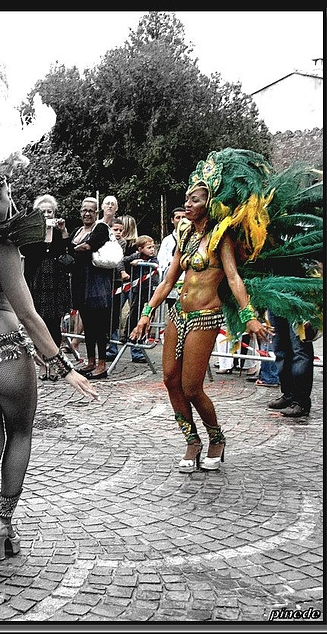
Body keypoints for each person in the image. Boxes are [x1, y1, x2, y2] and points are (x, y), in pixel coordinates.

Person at [0, 177, 99, 585]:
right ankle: (4, 525)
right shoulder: (2, 245)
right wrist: (64, 367)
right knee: (19, 436)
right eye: (6, 194)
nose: (11, 201)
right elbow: (29, 316)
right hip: (4, 351)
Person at [130, 150, 274, 474]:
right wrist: (145, 313)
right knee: (170, 380)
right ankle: (191, 440)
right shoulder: (184, 234)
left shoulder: (221, 236)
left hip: (205, 317)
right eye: (186, 199)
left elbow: (234, 277)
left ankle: (216, 437)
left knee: (192, 386)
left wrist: (249, 314)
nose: (188, 204)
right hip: (177, 314)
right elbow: (169, 279)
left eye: (194, 199)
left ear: (208, 203)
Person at [20, 194, 72, 381]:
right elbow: (26, 251)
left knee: (54, 325)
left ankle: (54, 364)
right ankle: (42, 365)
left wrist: (63, 232)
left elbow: (68, 253)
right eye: (43, 212)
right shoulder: (33, 233)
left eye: (50, 211)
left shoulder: (60, 232)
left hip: (55, 282)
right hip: (37, 280)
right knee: (38, 322)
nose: (47, 214)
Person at [68, 197, 113, 380]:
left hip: (96, 282)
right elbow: (71, 246)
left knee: (99, 325)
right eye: (84, 210)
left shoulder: (100, 228)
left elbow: (88, 246)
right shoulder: (77, 230)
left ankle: (102, 364)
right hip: (81, 281)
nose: (87, 213)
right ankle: (91, 361)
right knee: (87, 324)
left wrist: (70, 249)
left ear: (97, 213)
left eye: (91, 210)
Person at [266, 312, 314, 416]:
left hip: (297, 301)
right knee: (280, 349)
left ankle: (301, 402)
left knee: (300, 350)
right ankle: (288, 395)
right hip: (274, 300)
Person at [122, 235, 160, 363]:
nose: (152, 250)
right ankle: (127, 335)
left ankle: (140, 340)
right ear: (140, 249)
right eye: (149, 248)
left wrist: (141, 263)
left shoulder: (153, 259)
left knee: (146, 316)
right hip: (138, 290)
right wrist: (123, 272)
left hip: (150, 290)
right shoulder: (135, 256)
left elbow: (155, 264)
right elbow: (122, 261)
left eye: (153, 247)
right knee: (133, 313)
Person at [106, 218, 127, 360]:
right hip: (105, 280)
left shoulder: (123, 243)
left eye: (120, 230)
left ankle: (112, 348)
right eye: (115, 230)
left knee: (114, 314)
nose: (118, 233)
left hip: (117, 282)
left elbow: (119, 258)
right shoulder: (105, 241)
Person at [157, 207, 186, 310]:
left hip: (189, 283)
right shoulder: (167, 240)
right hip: (173, 282)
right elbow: (161, 259)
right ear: (172, 220)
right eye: (178, 217)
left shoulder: (195, 237)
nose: (181, 220)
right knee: (173, 314)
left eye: (184, 217)